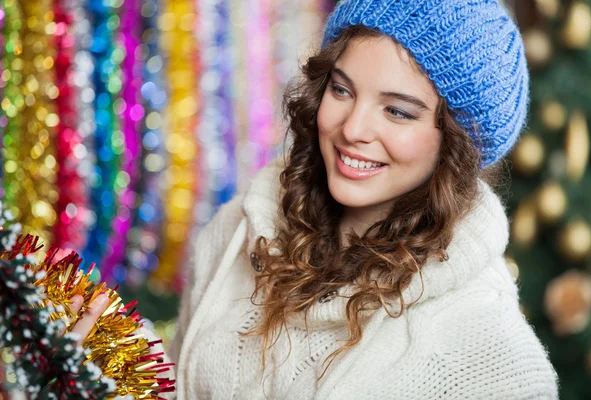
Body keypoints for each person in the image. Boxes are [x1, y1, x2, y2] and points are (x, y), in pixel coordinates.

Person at [76, 0, 559, 398]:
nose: (352, 129)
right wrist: (119, 366)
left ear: (456, 143)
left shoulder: (495, 364)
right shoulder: (237, 228)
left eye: (397, 111)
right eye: (343, 90)